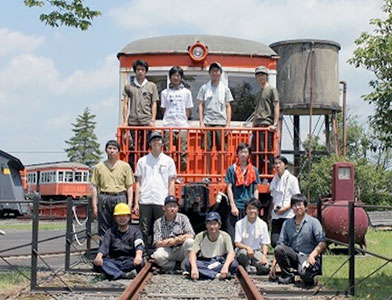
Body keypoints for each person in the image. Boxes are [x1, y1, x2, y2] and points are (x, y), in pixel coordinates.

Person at [133, 131, 177, 250]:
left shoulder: (169, 161)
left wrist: (171, 202)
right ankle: (144, 251)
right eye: (154, 140)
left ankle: (161, 250)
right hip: (145, 199)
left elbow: (171, 182)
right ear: (150, 143)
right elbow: (138, 182)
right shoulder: (142, 161)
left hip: (161, 199)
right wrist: (136, 203)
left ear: (162, 143)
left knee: (162, 226)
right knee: (144, 228)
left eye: (158, 140)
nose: (156, 142)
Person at [271, 194, 326, 287]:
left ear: (305, 207)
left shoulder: (314, 222)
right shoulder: (287, 223)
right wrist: (273, 265)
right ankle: (288, 276)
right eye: (295, 205)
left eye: (300, 205)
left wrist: (312, 256)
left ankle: (307, 275)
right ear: (292, 207)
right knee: (279, 248)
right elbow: (281, 243)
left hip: (308, 257)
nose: (297, 207)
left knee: (305, 277)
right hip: (294, 256)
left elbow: (322, 243)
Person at [91, 140, 134, 236]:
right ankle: (104, 248)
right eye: (109, 148)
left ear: (118, 151)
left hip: (120, 196)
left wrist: (130, 204)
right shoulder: (99, 167)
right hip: (104, 197)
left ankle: (120, 247)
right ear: (106, 150)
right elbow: (94, 186)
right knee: (104, 225)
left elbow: (130, 186)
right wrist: (94, 205)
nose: (112, 151)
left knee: (121, 224)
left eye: (114, 149)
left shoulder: (125, 166)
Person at [197, 62, 233, 174]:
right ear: (209, 73)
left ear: (221, 73)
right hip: (207, 122)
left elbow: (228, 106)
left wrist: (228, 124)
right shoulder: (204, 88)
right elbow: (201, 105)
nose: (215, 73)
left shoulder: (225, 89)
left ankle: (220, 174)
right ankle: (207, 174)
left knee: (221, 150)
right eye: (213, 71)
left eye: (217, 71)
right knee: (206, 150)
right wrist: (201, 122)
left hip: (221, 122)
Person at [121, 59, 159, 167]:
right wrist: (124, 121)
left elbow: (154, 103)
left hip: (146, 121)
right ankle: (133, 167)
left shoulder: (151, 86)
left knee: (145, 146)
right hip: (132, 121)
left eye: (142, 69)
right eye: (138, 69)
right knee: (133, 147)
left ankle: (146, 167)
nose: (140, 72)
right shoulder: (129, 86)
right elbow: (125, 103)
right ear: (135, 71)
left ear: (146, 71)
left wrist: (153, 119)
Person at [93, 203, 144, 280]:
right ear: (115, 218)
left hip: (130, 260)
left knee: (141, 263)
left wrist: (138, 256)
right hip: (114, 261)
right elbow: (104, 246)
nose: (122, 218)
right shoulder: (110, 232)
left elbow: (139, 245)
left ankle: (111, 272)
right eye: (119, 216)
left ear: (129, 217)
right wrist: (99, 256)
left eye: (124, 215)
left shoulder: (136, 232)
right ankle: (123, 275)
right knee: (97, 264)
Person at [186, 212, 238, 280]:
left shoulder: (225, 236)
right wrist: (194, 268)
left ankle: (204, 273)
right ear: (206, 225)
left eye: (214, 224)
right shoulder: (200, 236)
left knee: (234, 264)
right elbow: (192, 253)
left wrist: (225, 266)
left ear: (219, 225)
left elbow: (231, 253)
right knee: (187, 264)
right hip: (204, 261)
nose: (212, 226)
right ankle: (216, 275)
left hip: (219, 261)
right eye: (210, 224)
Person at [161, 66, 193, 171]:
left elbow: (188, 109)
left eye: (178, 75)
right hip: (168, 125)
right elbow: (163, 109)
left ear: (181, 77)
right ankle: (168, 173)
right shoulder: (165, 92)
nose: (176, 77)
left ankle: (181, 173)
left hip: (182, 125)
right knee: (167, 151)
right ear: (170, 77)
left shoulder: (186, 92)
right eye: (174, 75)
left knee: (182, 151)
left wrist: (183, 119)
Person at [225, 143, 261, 239]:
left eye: (245, 152)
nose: (243, 154)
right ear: (237, 154)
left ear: (249, 154)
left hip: (249, 205)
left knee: (249, 233)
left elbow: (256, 189)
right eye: (241, 152)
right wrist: (232, 205)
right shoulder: (231, 169)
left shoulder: (254, 170)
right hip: (237, 204)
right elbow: (229, 187)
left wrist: (255, 205)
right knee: (233, 233)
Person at [152, 195, 195, 272]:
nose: (172, 209)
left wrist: (178, 239)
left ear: (178, 208)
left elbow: (191, 235)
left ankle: (184, 265)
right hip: (168, 249)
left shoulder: (183, 218)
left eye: (174, 206)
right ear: (164, 208)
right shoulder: (158, 222)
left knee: (190, 242)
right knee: (157, 256)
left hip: (181, 249)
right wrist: (173, 241)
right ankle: (174, 266)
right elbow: (157, 243)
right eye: (169, 206)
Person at [251, 66, 280, 174]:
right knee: (255, 151)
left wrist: (275, 124)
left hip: (266, 124)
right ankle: (257, 174)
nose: (260, 77)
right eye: (258, 75)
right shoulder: (258, 93)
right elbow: (256, 110)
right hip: (257, 126)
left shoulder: (272, 90)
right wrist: (252, 126)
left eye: (262, 75)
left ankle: (267, 175)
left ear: (266, 76)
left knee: (266, 151)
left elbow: (276, 105)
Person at [269, 156, 300, 248]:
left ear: (285, 165)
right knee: (275, 241)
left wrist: (285, 208)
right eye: (276, 163)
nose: (277, 165)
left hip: (288, 214)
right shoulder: (274, 180)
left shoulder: (292, 179)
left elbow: (296, 197)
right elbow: (273, 198)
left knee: (288, 240)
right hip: (276, 215)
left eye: (280, 163)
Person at [234, 198, 270, 275]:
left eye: (254, 208)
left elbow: (265, 243)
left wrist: (264, 255)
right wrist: (247, 248)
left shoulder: (263, 224)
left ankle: (253, 266)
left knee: (265, 267)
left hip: (256, 252)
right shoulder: (239, 224)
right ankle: (247, 268)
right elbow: (237, 243)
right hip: (243, 251)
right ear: (246, 210)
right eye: (249, 208)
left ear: (258, 210)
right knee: (243, 254)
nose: (252, 211)